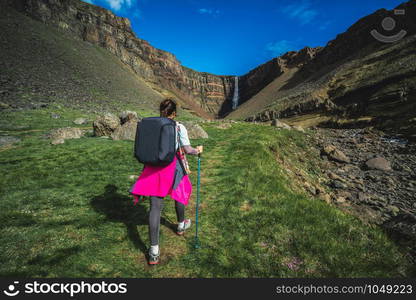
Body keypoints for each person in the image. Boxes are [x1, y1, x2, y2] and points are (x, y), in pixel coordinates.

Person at [130, 99, 203, 265]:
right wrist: (197, 150)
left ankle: (154, 250)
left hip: (153, 168)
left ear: (161, 111)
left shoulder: (152, 125)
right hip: (172, 166)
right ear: (174, 113)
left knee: (155, 207)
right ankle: (181, 225)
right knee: (179, 194)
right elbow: (187, 149)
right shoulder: (178, 127)